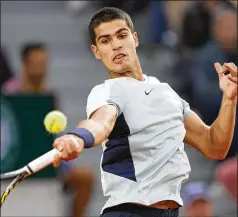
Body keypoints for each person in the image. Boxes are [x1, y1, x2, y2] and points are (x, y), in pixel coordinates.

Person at [52, 7, 237, 217]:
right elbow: (100, 122)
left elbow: (214, 146)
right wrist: (78, 138)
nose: (116, 45)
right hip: (129, 212)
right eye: (105, 41)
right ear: (96, 51)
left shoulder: (166, 93)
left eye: (122, 35)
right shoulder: (107, 92)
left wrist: (229, 99)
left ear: (135, 38)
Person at [2, 42, 93, 217]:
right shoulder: (9, 95)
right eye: (35, 63)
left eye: (43, 63)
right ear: (24, 64)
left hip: (50, 164)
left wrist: (66, 162)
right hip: (18, 165)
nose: (40, 69)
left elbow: (52, 138)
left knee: (85, 178)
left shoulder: (49, 95)